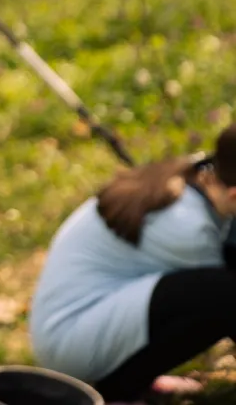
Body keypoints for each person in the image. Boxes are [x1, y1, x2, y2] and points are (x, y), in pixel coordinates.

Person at [31, 125, 236, 402]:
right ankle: (116, 391)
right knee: (224, 294)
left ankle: (132, 379)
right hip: (71, 341)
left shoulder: (200, 173)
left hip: (84, 318)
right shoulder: (190, 230)